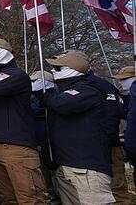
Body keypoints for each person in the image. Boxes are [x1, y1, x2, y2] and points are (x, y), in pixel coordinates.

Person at [0, 37, 45, 205]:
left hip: (16, 148)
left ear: (2, 51)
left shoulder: (16, 75)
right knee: (6, 198)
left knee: (29, 199)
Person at [41, 50, 114, 204]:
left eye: (58, 68)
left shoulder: (87, 90)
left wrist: (46, 95)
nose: (53, 71)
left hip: (86, 169)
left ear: (73, 70)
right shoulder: (63, 92)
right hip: (66, 165)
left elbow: (62, 104)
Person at [86, 66, 130, 205]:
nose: (121, 83)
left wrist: (109, 139)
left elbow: (114, 114)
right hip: (93, 144)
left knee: (117, 185)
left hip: (110, 143)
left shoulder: (102, 86)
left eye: (125, 79)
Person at [29, 70, 61, 205]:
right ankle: (51, 195)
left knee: (55, 173)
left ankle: (59, 196)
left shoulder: (53, 96)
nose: (31, 84)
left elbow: (38, 110)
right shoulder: (33, 97)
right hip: (37, 139)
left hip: (52, 140)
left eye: (34, 81)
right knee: (43, 173)